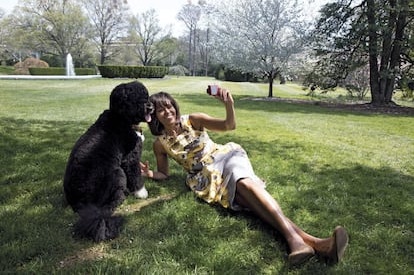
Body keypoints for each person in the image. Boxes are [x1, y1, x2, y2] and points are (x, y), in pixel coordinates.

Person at [141, 87, 349, 266]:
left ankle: (293, 240)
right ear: (155, 116)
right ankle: (319, 246)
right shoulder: (160, 144)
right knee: (251, 202)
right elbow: (164, 173)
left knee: (246, 184)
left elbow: (228, 126)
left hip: (225, 157)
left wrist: (229, 104)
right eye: (161, 109)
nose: (167, 111)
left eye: (169, 106)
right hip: (207, 179)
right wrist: (149, 173)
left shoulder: (193, 120)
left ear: (175, 106)